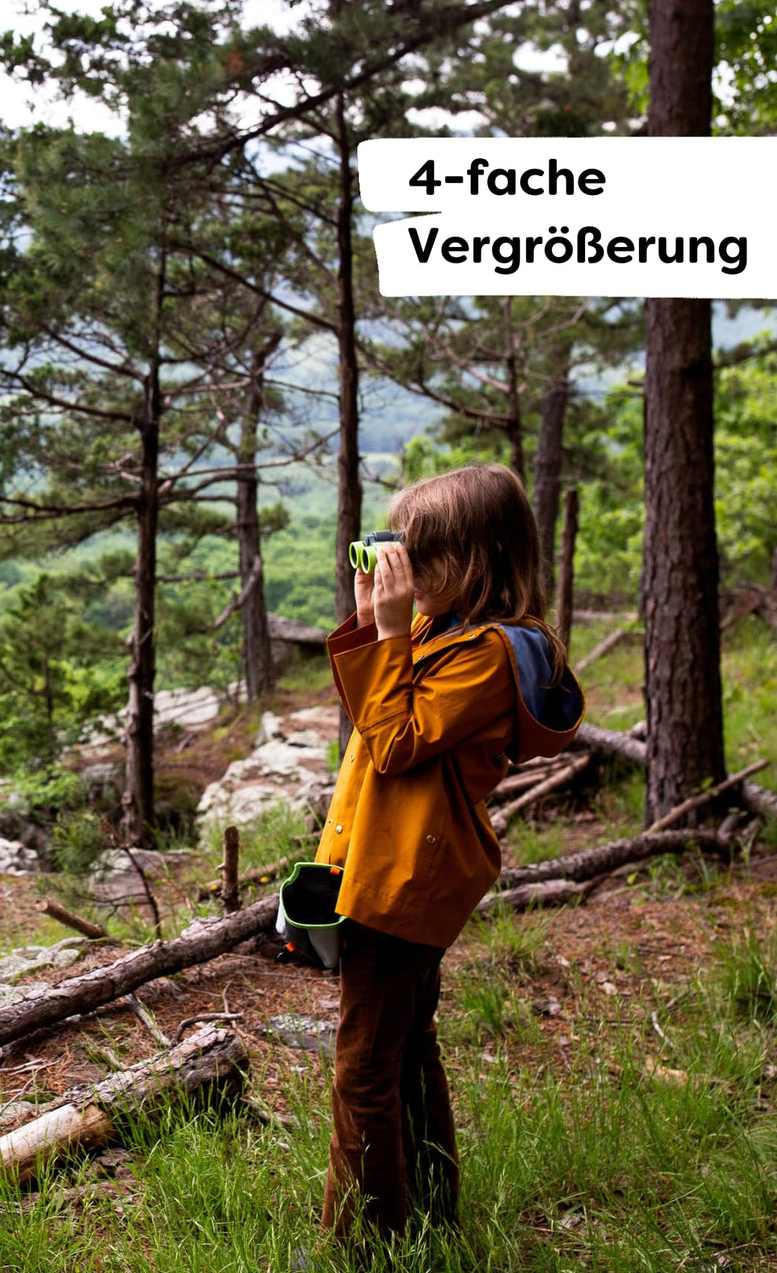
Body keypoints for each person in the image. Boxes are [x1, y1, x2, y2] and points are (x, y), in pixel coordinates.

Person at [315, 463, 584, 1241]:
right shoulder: (445, 632)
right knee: (403, 1050)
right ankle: (430, 1218)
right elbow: (379, 723)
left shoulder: (490, 654)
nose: (403, 570)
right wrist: (374, 625)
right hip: (384, 872)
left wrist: (391, 632)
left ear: (472, 560)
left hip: (408, 884)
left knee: (363, 1067)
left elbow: (394, 743)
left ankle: (363, 1247)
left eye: (418, 556)